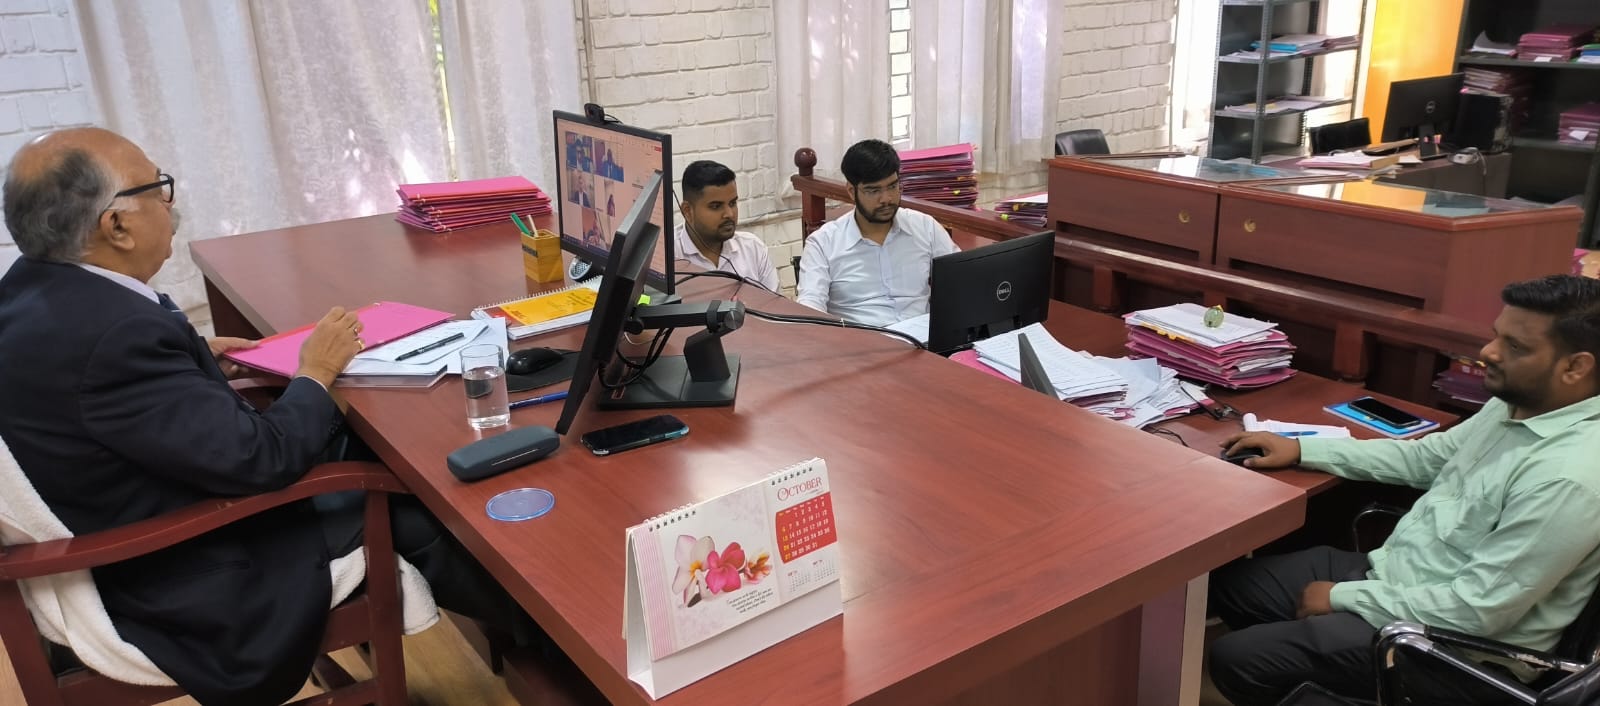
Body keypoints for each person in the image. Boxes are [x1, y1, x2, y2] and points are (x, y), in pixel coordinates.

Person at [0, 128, 535, 705]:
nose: (170, 204)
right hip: (187, 580)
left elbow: (99, 394)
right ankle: (551, 642)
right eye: (157, 188)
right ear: (116, 226)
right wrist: (316, 370)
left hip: (127, 511)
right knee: (405, 490)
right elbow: (264, 459)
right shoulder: (116, 336)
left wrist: (192, 361)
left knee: (376, 439)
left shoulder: (30, 291)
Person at [1208, 274, 1600, 705]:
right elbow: (1427, 458)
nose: (1488, 352)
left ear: (1575, 367)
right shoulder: (1520, 403)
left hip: (1454, 646)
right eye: (1497, 336)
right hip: (1399, 575)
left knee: (1237, 659)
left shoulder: (1569, 477)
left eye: (1516, 346)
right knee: (1230, 586)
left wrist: (1342, 597)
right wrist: (1302, 449)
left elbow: (1477, 610)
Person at [796, 138, 958, 326]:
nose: (886, 199)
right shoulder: (823, 243)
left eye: (892, 186)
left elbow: (961, 279)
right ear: (851, 191)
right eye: (873, 191)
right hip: (864, 339)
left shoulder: (924, 226)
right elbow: (810, 310)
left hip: (925, 336)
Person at [674, 160, 779, 292]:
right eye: (716, 206)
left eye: (732, 203)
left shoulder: (753, 249)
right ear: (688, 211)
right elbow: (651, 302)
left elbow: (774, 303)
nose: (729, 214)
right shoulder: (665, 256)